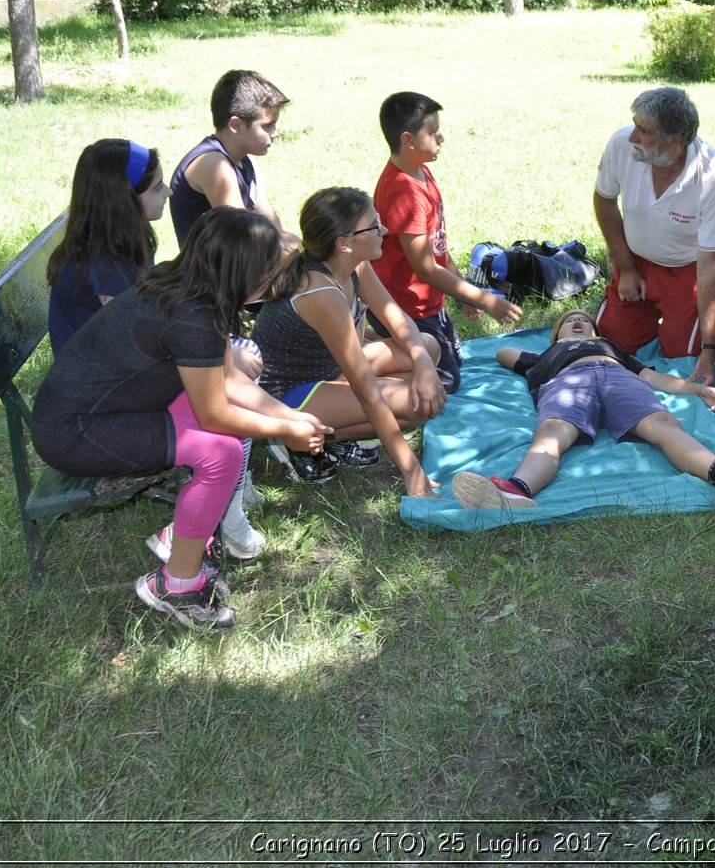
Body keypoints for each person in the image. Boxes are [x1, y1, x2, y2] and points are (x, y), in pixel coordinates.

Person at [30, 208, 332, 631]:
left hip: (108, 409)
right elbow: (215, 412)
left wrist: (292, 416)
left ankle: (185, 533)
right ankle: (177, 587)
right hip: (76, 431)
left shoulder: (192, 286)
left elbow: (228, 380)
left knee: (228, 434)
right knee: (221, 454)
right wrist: (287, 431)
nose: (274, 282)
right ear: (244, 274)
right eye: (269, 273)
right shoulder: (195, 316)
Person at [450, 310, 715, 510]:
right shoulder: (545, 356)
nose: (579, 323)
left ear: (598, 332)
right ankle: (516, 490)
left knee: (663, 424)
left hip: (617, 377)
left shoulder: (611, 348)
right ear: (556, 335)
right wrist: (550, 350)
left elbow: (651, 376)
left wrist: (696, 388)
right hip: (569, 383)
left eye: (585, 320)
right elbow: (503, 353)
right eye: (571, 322)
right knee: (552, 433)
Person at [252, 187, 445, 492]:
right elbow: (367, 390)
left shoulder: (354, 262)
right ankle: (292, 439)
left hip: (326, 370)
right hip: (287, 396)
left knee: (428, 348)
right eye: (373, 225)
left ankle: (333, 433)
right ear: (344, 243)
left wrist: (424, 366)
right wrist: (412, 473)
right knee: (420, 405)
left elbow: (396, 317)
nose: (384, 229)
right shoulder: (321, 293)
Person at [372, 91, 522, 395]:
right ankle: (365, 359)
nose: (441, 137)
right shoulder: (404, 193)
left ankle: (382, 346)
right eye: (432, 131)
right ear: (408, 140)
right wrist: (484, 299)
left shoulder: (421, 172)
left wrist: (462, 287)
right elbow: (425, 269)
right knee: (445, 383)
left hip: (428, 303)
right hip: (404, 306)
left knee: (455, 362)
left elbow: (437, 249)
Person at [593, 86, 715, 388]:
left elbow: (711, 262)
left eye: (643, 131)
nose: (632, 136)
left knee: (684, 355)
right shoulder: (621, 145)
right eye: (634, 125)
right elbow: (604, 200)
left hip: (687, 270)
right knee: (613, 340)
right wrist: (626, 268)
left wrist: (709, 349)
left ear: (674, 141)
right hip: (635, 260)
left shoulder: (712, 175)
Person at [47, 139, 170, 355]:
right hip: (96, 384)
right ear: (124, 202)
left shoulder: (124, 239)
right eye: (158, 188)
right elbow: (137, 338)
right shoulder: (103, 262)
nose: (169, 192)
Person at [169, 69, 298, 251]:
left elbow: (276, 228)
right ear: (236, 125)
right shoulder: (213, 164)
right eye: (267, 126)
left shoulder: (245, 161)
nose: (275, 133)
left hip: (239, 266)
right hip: (211, 275)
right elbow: (245, 238)